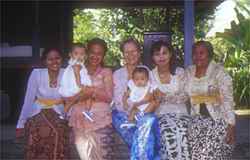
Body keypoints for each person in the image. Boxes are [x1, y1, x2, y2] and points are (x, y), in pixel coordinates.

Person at [16, 47, 69, 160]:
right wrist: (20, 123)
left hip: (59, 112)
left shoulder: (67, 73)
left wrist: (72, 118)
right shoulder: (36, 74)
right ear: (44, 61)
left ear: (62, 59)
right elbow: (28, 99)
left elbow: (72, 98)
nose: (54, 62)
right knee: (35, 128)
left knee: (57, 131)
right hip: (38, 111)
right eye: (50, 59)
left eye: (57, 58)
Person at [185, 40, 235, 159]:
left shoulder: (219, 72)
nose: (197, 56)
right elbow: (180, 91)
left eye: (201, 53)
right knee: (194, 152)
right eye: (195, 53)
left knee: (208, 153)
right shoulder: (189, 71)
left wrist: (231, 125)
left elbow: (228, 99)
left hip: (217, 118)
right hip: (196, 118)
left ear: (210, 54)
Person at [112, 37, 160, 160]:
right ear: (123, 54)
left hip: (143, 113)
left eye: (133, 51)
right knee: (145, 136)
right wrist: (129, 110)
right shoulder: (117, 74)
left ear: (139, 53)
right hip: (122, 114)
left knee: (148, 121)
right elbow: (118, 101)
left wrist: (139, 107)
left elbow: (154, 96)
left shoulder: (146, 71)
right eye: (126, 52)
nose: (130, 55)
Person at [67, 38, 114, 160]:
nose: (95, 56)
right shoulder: (76, 69)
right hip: (79, 118)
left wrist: (92, 91)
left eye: (99, 53)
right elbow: (68, 93)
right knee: (85, 156)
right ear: (87, 53)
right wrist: (80, 95)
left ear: (103, 56)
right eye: (92, 52)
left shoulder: (106, 72)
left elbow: (109, 97)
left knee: (101, 156)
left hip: (100, 119)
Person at [150, 40, 191, 160]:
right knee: (167, 130)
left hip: (181, 112)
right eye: (157, 54)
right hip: (160, 113)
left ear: (170, 54)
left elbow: (185, 95)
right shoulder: (150, 75)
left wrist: (164, 96)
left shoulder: (180, 72)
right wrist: (171, 96)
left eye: (164, 53)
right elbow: (153, 97)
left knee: (183, 130)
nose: (161, 57)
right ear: (153, 57)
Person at [58, 43, 92, 113]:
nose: (79, 56)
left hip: (73, 85)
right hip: (75, 85)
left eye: (82, 54)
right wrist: (80, 85)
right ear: (70, 55)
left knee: (88, 96)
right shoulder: (76, 65)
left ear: (85, 56)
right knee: (88, 94)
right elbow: (77, 75)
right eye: (76, 54)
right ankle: (68, 107)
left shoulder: (75, 63)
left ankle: (87, 110)